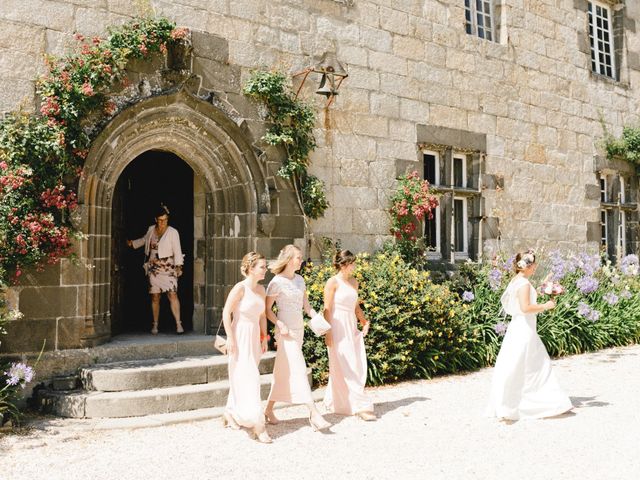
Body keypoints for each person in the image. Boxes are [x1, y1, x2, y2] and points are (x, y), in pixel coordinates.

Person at [485, 250, 573, 421]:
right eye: (533, 265)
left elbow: (524, 301)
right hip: (524, 329)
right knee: (536, 365)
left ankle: (513, 402)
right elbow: (526, 308)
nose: (535, 267)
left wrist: (544, 287)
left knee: (519, 366)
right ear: (525, 266)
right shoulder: (524, 284)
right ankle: (543, 403)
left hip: (518, 328)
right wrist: (546, 305)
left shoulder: (518, 281)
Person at [263, 245, 331, 431]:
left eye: (301, 257)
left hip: (299, 330)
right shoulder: (276, 282)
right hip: (285, 333)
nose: (301, 260)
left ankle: (267, 409)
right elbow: (267, 310)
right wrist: (279, 324)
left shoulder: (300, 280)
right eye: (298, 257)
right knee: (300, 369)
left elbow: (306, 307)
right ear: (288, 259)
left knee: (283, 372)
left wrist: (318, 320)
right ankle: (314, 413)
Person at [221, 252, 271, 443]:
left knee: (243, 377)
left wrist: (264, 337)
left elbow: (262, 315)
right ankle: (258, 425)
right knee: (250, 377)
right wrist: (230, 338)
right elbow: (226, 312)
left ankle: (230, 412)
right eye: (262, 267)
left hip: (254, 338)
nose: (265, 270)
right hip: (240, 335)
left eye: (265, 267)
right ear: (250, 268)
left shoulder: (261, 290)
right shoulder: (239, 288)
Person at [323, 250, 375, 421]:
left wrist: (364, 321)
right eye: (352, 263)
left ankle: (343, 402)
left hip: (350, 325)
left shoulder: (354, 282)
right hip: (337, 326)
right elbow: (327, 309)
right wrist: (328, 332)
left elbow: (355, 306)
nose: (355, 266)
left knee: (355, 363)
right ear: (344, 264)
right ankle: (362, 406)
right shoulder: (332, 282)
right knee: (346, 365)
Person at [127, 204, 184, 335]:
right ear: (156, 219)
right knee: (155, 296)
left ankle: (178, 323)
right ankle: (155, 325)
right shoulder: (151, 229)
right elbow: (144, 240)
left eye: (165, 220)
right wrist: (132, 243)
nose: (162, 222)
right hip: (153, 267)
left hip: (168, 266)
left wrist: (179, 266)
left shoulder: (173, 232)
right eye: (160, 220)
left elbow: (178, 250)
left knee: (172, 294)